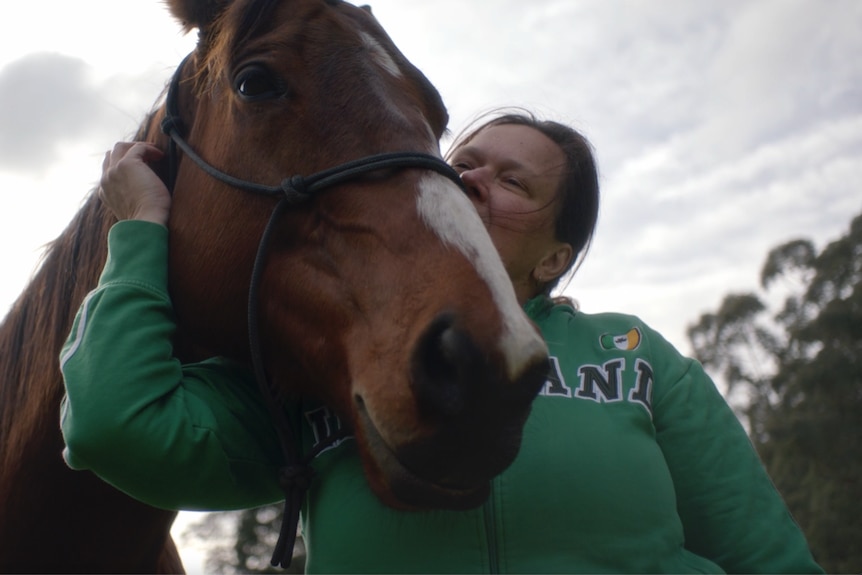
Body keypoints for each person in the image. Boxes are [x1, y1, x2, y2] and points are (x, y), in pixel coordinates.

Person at [60, 110, 823, 573]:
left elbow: (765, 556)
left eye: (514, 182)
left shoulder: (636, 357)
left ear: (554, 259)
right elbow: (111, 423)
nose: (472, 181)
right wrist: (138, 233)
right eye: (462, 164)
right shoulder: (322, 362)